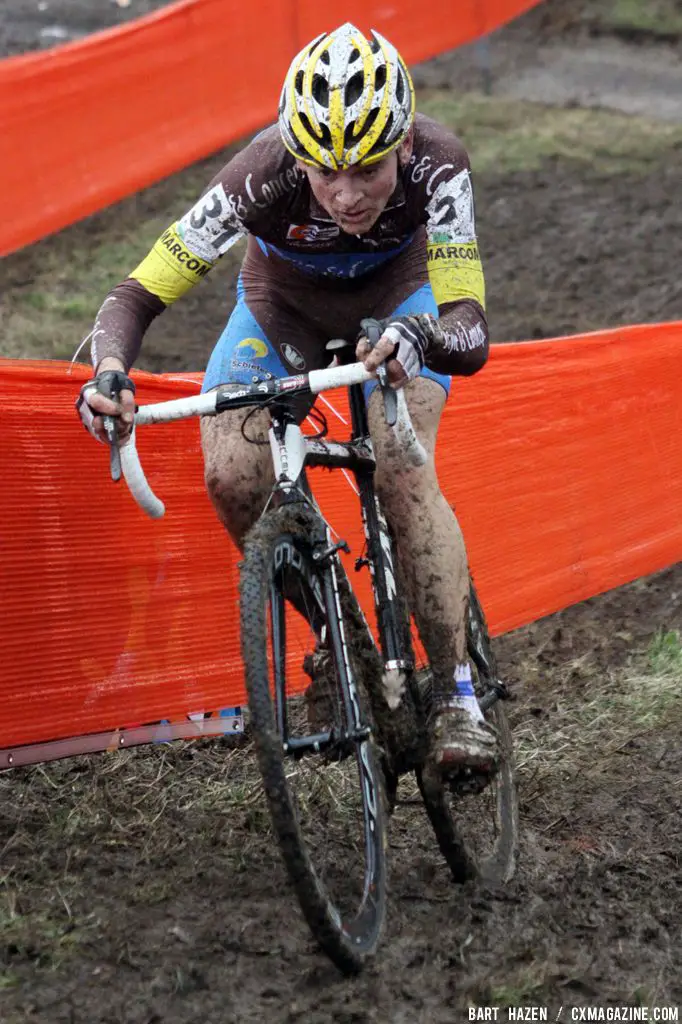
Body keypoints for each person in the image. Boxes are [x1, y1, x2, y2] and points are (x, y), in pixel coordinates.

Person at [76, 22, 497, 776]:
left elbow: (470, 331)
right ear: (295, 154)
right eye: (323, 172)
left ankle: (458, 696)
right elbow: (137, 294)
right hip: (284, 310)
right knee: (231, 476)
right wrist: (109, 373)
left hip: (407, 305)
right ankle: (339, 646)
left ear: (403, 143)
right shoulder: (259, 175)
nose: (344, 194)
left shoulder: (440, 164)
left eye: (366, 169)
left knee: (401, 460)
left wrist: (418, 341)